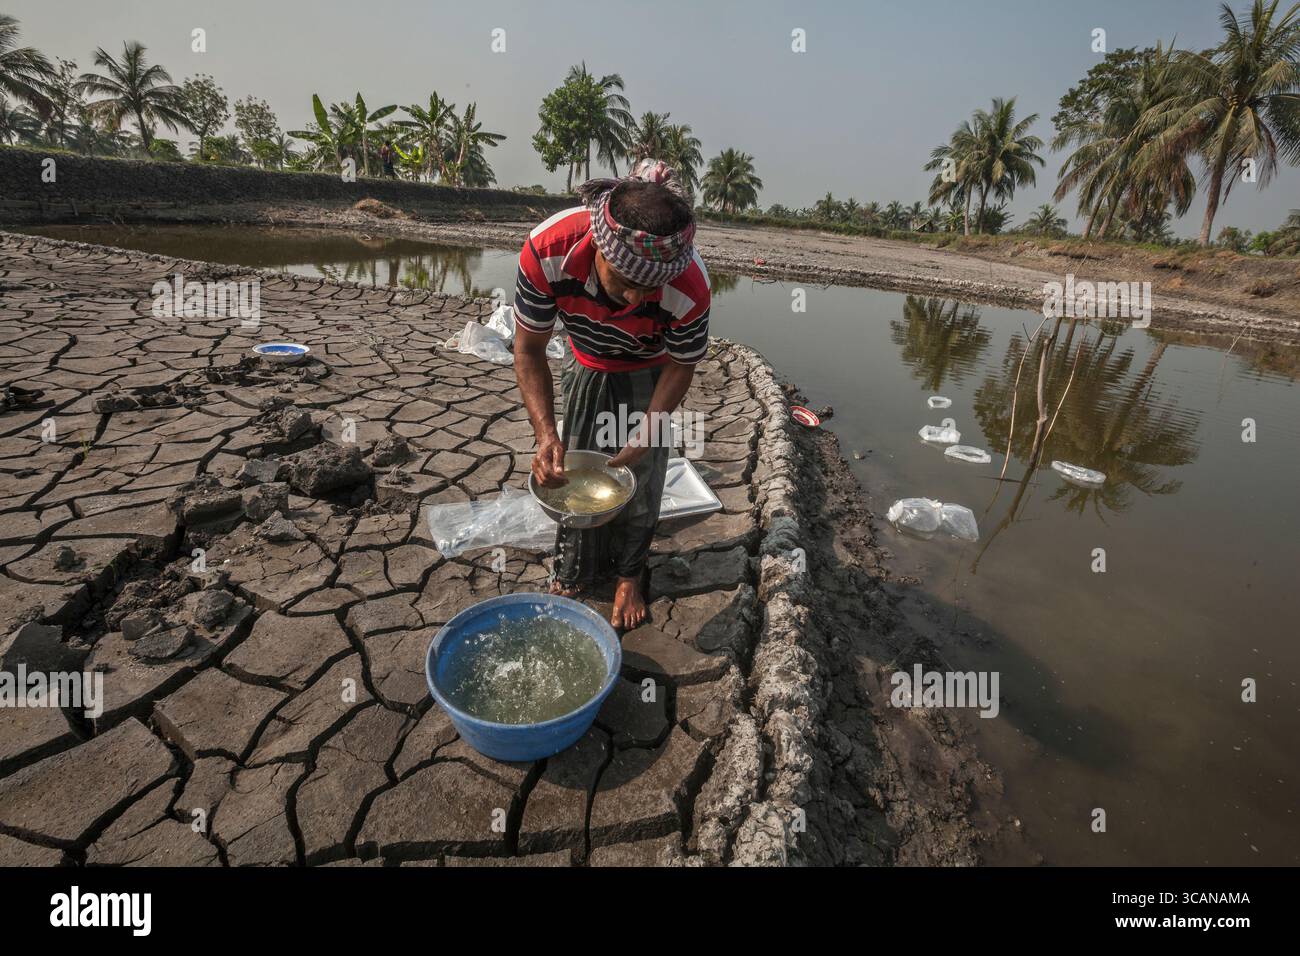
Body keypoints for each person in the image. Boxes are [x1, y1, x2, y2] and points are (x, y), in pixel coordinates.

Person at [512, 159, 710, 629]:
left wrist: (650, 427)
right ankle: (576, 567)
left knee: (642, 473)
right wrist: (544, 432)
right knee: (567, 466)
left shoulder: (689, 286)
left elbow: (682, 363)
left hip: (650, 368)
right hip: (585, 360)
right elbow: (529, 348)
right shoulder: (547, 250)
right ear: (600, 247)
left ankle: (629, 574)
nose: (637, 300)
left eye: (651, 289)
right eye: (626, 284)